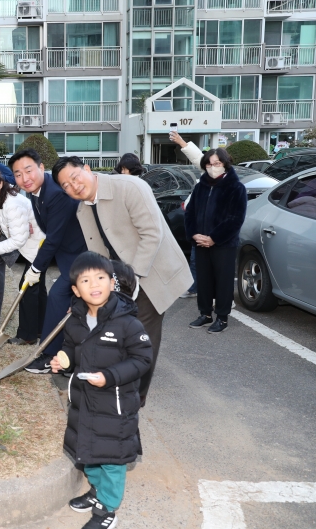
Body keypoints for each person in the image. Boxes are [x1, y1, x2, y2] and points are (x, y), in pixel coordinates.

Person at [53, 156, 192, 406]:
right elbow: (99, 254)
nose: (73, 186)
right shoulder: (84, 209)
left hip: (150, 274)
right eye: (65, 186)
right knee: (117, 334)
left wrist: (134, 278)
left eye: (74, 177)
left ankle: (134, 397)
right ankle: (117, 388)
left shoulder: (129, 187)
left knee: (141, 337)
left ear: (87, 169)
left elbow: (152, 234)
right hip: (121, 280)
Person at [51, 252, 152, 529]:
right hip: (85, 400)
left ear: (111, 282)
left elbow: (143, 359)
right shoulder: (75, 320)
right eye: (85, 280)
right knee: (88, 450)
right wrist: (64, 359)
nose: (94, 284)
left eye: (100, 278)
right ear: (76, 290)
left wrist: (109, 376)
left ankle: (108, 509)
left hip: (116, 404)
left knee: (112, 457)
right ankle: (96, 491)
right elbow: (72, 348)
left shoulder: (128, 322)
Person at [8, 149, 87, 375]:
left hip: (80, 256)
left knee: (58, 297)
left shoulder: (55, 194)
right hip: (67, 256)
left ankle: (50, 355)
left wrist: (35, 268)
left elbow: (53, 239)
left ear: (42, 168)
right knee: (71, 305)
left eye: (29, 170)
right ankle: (65, 356)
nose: (25, 178)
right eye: (18, 174)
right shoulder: (37, 192)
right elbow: (48, 229)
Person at [0, 164, 44, 332]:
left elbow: (18, 239)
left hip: (38, 247)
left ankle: (27, 334)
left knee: (28, 289)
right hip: (29, 245)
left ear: (0, 183)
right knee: (37, 290)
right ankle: (41, 328)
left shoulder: (11, 203)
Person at [184, 149, 247, 334]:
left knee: (223, 281)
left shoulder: (236, 187)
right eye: (209, 164)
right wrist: (194, 234)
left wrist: (214, 238)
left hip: (223, 244)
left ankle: (222, 317)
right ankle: (205, 314)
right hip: (200, 242)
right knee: (203, 280)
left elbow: (236, 218)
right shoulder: (201, 186)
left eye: (217, 163)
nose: (213, 167)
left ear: (225, 164)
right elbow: (190, 212)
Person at [171, 132, 210, 299]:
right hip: (199, 225)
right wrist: (182, 143)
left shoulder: (224, 180)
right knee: (195, 259)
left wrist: (182, 143)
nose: (211, 165)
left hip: (210, 228)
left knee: (214, 264)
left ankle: (220, 297)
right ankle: (194, 288)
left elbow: (199, 159)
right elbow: (199, 159)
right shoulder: (207, 175)